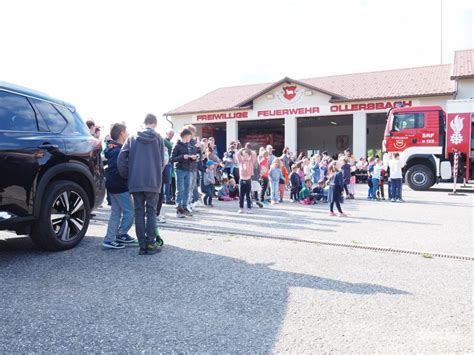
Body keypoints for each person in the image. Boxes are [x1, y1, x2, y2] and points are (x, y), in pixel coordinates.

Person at [117, 114, 165, 255]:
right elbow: (162, 161)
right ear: (154, 124)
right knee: (151, 212)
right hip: (152, 181)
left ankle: (142, 246)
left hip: (136, 181)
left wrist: (127, 175)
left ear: (143, 123)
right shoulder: (159, 139)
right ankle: (151, 245)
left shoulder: (131, 138)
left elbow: (121, 159)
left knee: (139, 212)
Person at [102, 123, 136, 249]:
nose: (128, 134)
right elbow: (121, 170)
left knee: (116, 213)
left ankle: (109, 239)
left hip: (112, 185)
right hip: (120, 186)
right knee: (130, 211)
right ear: (122, 133)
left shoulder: (113, 149)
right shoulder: (119, 151)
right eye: (126, 132)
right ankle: (121, 234)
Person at [170, 128, 195, 218]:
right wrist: (182, 157)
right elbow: (172, 159)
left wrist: (193, 158)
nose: (190, 138)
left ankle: (184, 207)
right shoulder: (176, 146)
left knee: (187, 189)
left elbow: (192, 156)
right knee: (180, 190)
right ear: (185, 136)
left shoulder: (189, 145)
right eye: (189, 136)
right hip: (180, 169)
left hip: (188, 169)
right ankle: (178, 209)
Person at [235, 148, 257, 214]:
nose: (245, 157)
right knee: (241, 195)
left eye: (246, 155)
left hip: (248, 180)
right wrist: (241, 150)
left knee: (248, 195)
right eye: (244, 155)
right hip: (242, 180)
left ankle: (249, 208)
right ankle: (241, 208)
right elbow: (237, 154)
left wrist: (249, 150)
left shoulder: (251, 161)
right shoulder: (240, 161)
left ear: (249, 156)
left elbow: (254, 154)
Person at [163, 130, 175, 205]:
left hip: (170, 163)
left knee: (168, 182)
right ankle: (167, 198)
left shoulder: (170, 142)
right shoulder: (164, 141)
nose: (171, 135)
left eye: (172, 134)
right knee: (167, 182)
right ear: (166, 133)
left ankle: (167, 197)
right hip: (166, 163)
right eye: (170, 134)